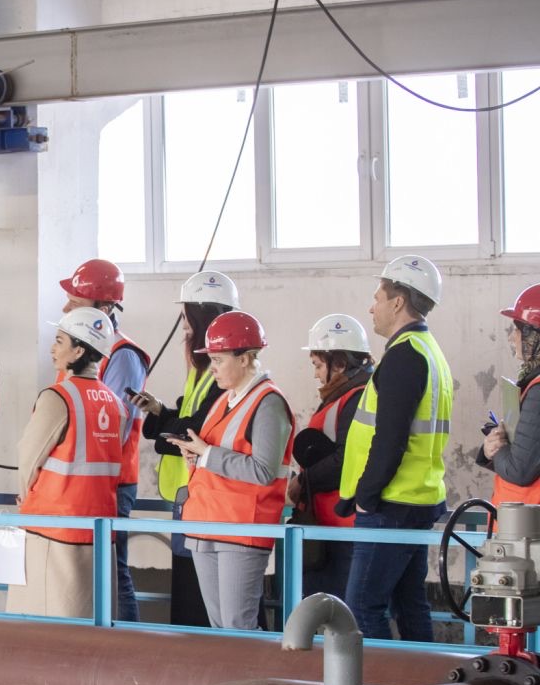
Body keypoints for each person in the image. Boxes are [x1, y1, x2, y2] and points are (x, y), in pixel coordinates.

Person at [337, 255, 452, 642]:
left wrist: (366, 496)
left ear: (398, 302)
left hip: (391, 502)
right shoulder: (428, 351)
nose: (372, 307)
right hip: (416, 498)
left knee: (361, 610)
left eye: (377, 297)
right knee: (409, 604)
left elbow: (390, 440)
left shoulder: (406, 355)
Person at [174, 311, 294, 631]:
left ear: (246, 358)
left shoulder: (268, 403)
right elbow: (215, 458)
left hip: (241, 528)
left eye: (219, 359)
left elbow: (263, 470)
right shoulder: (223, 400)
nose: (212, 368)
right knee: (220, 630)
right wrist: (196, 458)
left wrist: (208, 454)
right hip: (207, 523)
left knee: (238, 627)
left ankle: (257, 682)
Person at [132, 270, 240, 626]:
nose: (184, 328)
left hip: (208, 498)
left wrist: (170, 425)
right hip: (190, 496)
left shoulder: (221, 373)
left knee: (204, 600)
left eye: (188, 318)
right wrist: (160, 412)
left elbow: (197, 429)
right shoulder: (202, 371)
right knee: (191, 589)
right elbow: (190, 417)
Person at [8, 308, 124, 619]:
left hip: (52, 529)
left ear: (79, 350)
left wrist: (25, 496)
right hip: (99, 530)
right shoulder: (114, 403)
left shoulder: (58, 397)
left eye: (59, 341)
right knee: (91, 623)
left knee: (44, 629)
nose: (52, 348)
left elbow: (28, 456)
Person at [59, 258, 148, 622]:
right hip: (81, 480)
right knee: (87, 574)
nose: (65, 308)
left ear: (106, 309)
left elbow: (110, 428)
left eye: (76, 303)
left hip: (110, 483)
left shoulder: (123, 355)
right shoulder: (77, 351)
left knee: (113, 573)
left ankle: (125, 656)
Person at [290, 315, 373, 598]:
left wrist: (304, 480)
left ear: (338, 363)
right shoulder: (341, 396)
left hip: (341, 529)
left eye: (317, 365)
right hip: (329, 525)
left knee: (335, 611)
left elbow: (346, 459)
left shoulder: (356, 398)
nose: (314, 373)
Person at [479, 285, 540, 502]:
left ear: (535, 337)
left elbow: (520, 470)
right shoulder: (533, 382)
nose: (513, 338)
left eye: (518, 330)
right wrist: (491, 449)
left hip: (528, 527)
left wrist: (498, 448)